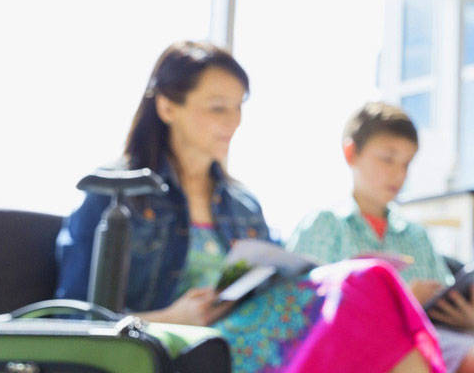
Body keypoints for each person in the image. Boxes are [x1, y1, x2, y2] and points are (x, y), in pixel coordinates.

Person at [55, 41, 442, 373]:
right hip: (175, 345)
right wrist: (172, 318)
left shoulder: (242, 205)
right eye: (218, 107)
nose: (233, 121)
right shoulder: (115, 191)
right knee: (365, 285)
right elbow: (72, 321)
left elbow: (276, 285)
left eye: (239, 106)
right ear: (169, 107)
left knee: (368, 288)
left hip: (241, 336)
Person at [288, 102, 474, 373]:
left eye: (406, 164)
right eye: (388, 159)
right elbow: (301, 315)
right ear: (351, 153)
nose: (398, 174)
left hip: (445, 332)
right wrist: (400, 306)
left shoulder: (415, 235)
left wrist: (473, 314)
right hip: (382, 339)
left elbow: (448, 299)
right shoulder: (324, 225)